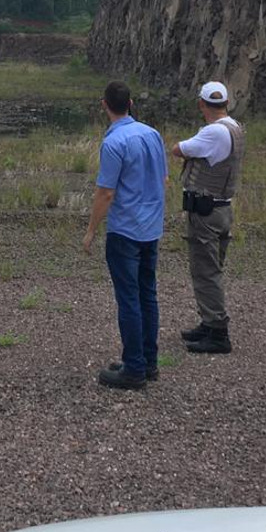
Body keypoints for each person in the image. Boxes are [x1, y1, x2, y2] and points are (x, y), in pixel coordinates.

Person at [82, 81, 168, 389]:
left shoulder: (114, 142)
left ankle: (133, 369)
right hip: (151, 229)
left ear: (104, 105)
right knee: (148, 294)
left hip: (125, 230)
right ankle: (148, 362)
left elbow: (105, 192)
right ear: (130, 103)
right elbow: (163, 178)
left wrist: (91, 230)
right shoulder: (152, 134)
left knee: (129, 298)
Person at [170, 81, 245, 355]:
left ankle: (217, 331)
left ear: (202, 104)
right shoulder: (235, 128)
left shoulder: (213, 132)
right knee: (212, 269)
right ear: (226, 103)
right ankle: (208, 322)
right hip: (222, 208)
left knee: (206, 272)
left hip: (205, 211)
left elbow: (178, 148)